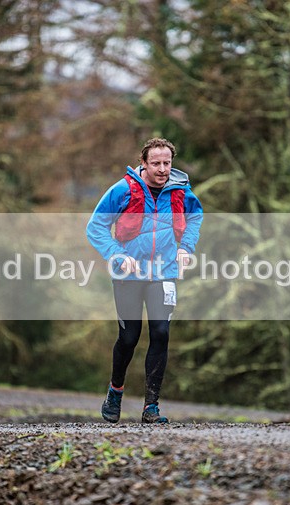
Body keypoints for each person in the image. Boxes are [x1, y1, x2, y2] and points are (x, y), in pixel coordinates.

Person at [86, 138, 203, 423]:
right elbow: (95, 226)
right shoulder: (123, 190)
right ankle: (115, 390)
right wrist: (115, 254)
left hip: (164, 272)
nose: (162, 169)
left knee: (161, 333)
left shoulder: (181, 191)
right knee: (129, 337)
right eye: (156, 164)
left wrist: (186, 247)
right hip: (128, 273)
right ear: (144, 163)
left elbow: (196, 215)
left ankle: (151, 406)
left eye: (167, 163)